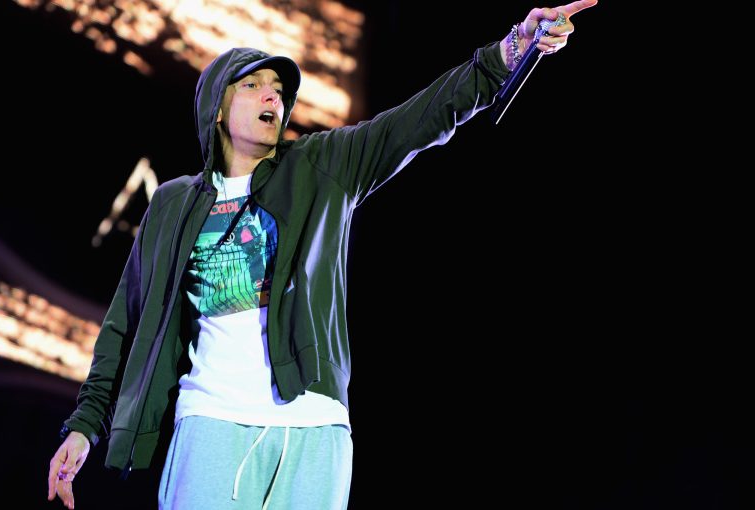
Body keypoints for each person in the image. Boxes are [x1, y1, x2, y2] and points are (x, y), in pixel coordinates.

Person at [47, 1, 597, 508]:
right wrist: (84, 424)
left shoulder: (322, 166)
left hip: (316, 424)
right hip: (211, 421)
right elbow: (124, 326)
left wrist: (512, 49)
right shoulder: (171, 204)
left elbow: (419, 119)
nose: (273, 97)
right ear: (217, 107)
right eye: (254, 85)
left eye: (279, 91)